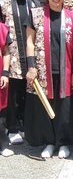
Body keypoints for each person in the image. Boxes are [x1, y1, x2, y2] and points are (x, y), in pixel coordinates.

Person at [25, 0, 73, 159]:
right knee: (45, 106)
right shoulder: (36, 14)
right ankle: (49, 142)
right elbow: (30, 42)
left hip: (65, 70)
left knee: (64, 107)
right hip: (42, 70)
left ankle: (63, 142)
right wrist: (31, 66)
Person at [0, 0, 40, 144]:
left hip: (31, 54)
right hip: (12, 54)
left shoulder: (34, 4)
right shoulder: (3, 3)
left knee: (28, 92)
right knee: (13, 93)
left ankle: (24, 124)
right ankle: (12, 127)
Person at [0, 22, 13, 157]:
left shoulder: (2, 28)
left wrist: (4, 73)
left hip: (0, 74)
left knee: (1, 113)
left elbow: (6, 52)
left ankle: (3, 144)